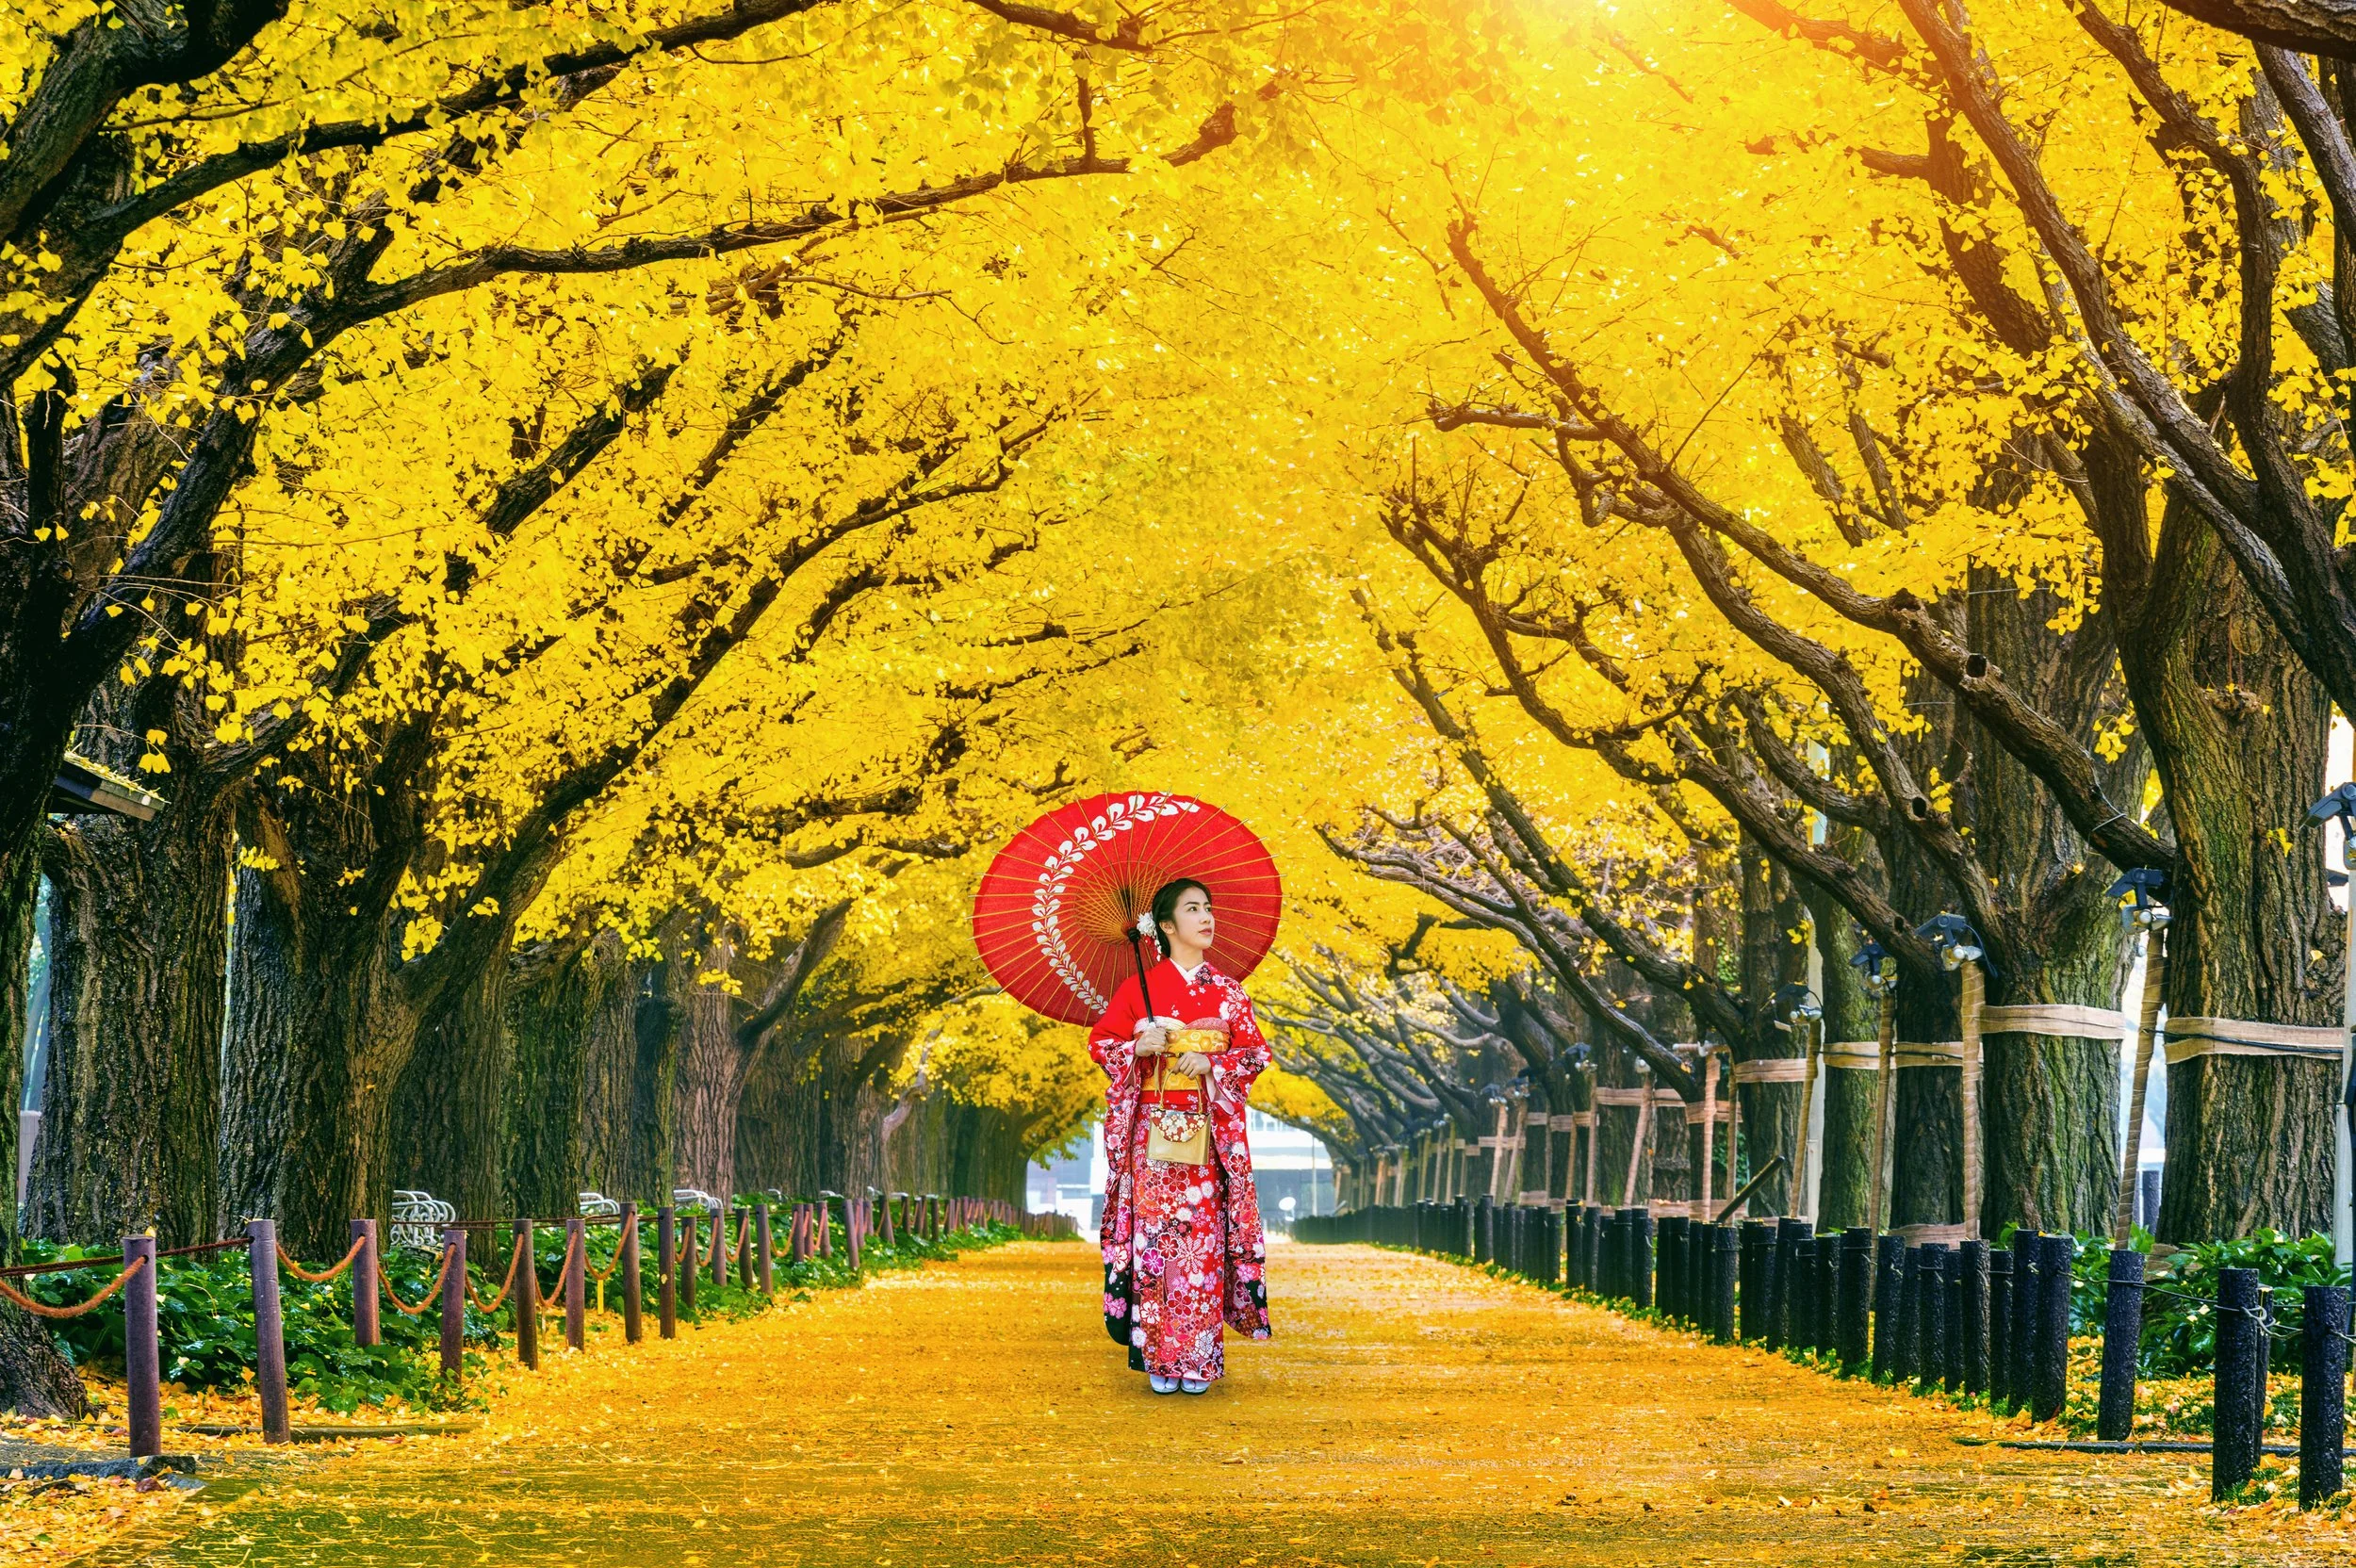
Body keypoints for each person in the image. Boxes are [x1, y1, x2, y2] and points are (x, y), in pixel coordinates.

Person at [1088, 877, 1272, 1394]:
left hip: (1207, 1133)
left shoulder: (1229, 993)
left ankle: (1200, 1359)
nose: (1207, 917)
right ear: (1166, 927)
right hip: (1153, 1135)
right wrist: (1138, 1048)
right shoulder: (1135, 989)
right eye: (1193, 910)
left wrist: (1212, 1060)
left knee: (1202, 1243)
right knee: (1156, 1243)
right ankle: (1160, 1357)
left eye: (1209, 908)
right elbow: (1102, 1044)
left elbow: (1256, 1053)